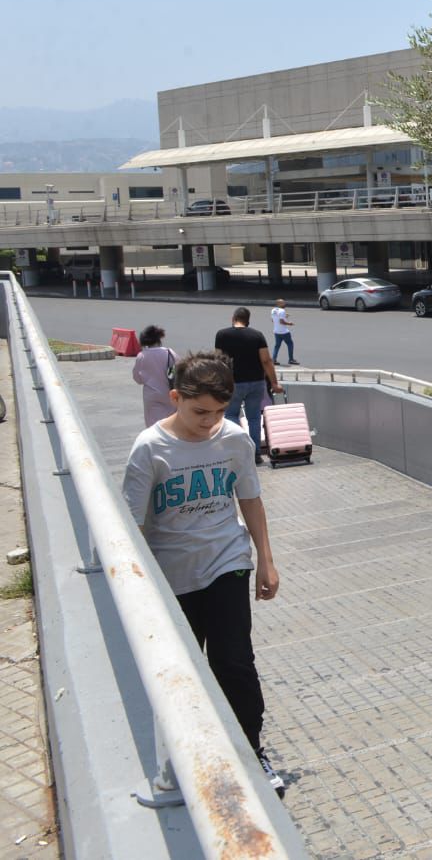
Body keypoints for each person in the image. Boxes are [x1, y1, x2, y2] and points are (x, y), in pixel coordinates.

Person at [120, 350, 285, 796]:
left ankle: (252, 751)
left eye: (218, 412)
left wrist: (265, 559)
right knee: (183, 670)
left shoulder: (234, 439)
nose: (209, 422)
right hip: (171, 574)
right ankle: (191, 756)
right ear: (175, 398)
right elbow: (132, 523)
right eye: (199, 412)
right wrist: (136, 586)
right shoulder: (150, 448)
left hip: (227, 562)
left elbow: (250, 499)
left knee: (234, 662)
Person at [214, 308, 281, 465]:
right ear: (248, 320)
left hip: (233, 383)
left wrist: (218, 382)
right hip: (256, 382)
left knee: (231, 416)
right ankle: (256, 453)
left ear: (233, 318)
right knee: (254, 418)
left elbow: (218, 361)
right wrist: (274, 383)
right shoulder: (257, 335)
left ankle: (240, 450)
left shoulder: (222, 335)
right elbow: (266, 360)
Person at [130, 325, 178, 427]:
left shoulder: (142, 356)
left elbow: (137, 379)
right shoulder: (169, 353)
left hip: (151, 396)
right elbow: (176, 371)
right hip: (169, 394)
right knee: (170, 424)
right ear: (158, 339)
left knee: (153, 426)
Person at [269, 299, 298, 366]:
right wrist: (289, 323)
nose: (284, 304)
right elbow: (281, 322)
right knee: (290, 344)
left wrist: (285, 316)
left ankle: (273, 360)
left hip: (276, 331)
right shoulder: (282, 311)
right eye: (283, 303)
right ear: (278, 304)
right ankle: (291, 359)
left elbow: (273, 320)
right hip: (284, 332)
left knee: (277, 346)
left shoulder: (273, 310)